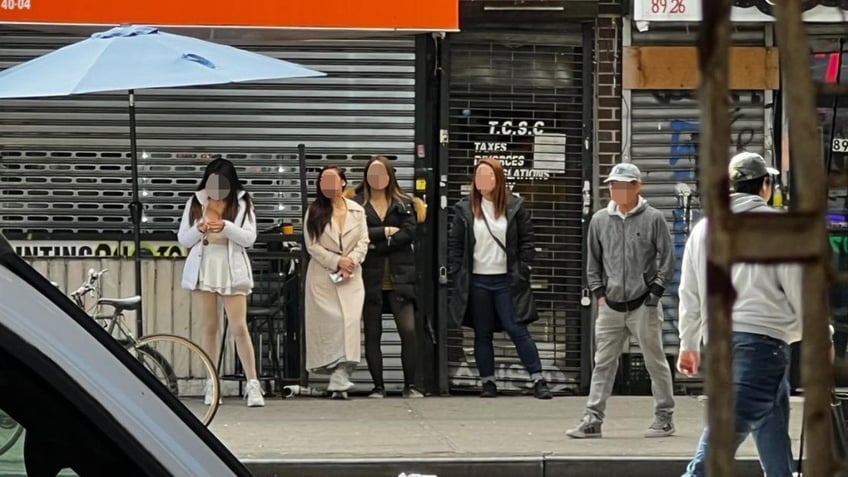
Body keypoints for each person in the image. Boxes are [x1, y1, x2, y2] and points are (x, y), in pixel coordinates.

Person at [677, 152, 805, 476]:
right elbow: (799, 289)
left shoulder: (704, 229)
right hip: (763, 346)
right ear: (765, 186)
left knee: (773, 435)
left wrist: (688, 343)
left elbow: (689, 292)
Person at [567, 162, 675, 439]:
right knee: (603, 362)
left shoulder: (653, 218)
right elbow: (593, 261)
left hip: (643, 302)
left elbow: (668, 257)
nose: (617, 190)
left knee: (655, 361)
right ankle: (592, 419)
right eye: (614, 185)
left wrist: (656, 292)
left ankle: (664, 417)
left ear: (637, 186)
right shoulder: (600, 220)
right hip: (611, 304)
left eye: (624, 185)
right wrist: (599, 294)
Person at [447, 157, 552, 399]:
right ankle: (488, 382)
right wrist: (457, 271)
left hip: (507, 280)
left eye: (488, 175)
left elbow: (528, 242)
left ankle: (537, 379)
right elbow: (455, 244)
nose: (482, 180)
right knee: (482, 332)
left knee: (517, 329)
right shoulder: (465, 209)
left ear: (498, 178)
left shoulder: (515, 207)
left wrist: (523, 269)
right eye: (478, 176)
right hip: (477, 280)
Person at [177, 157, 264, 407]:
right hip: (204, 266)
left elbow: (249, 238)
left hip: (231, 266)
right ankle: (211, 383)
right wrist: (200, 229)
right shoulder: (196, 201)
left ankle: (253, 383)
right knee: (209, 327)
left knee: (239, 327)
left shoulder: (242, 201)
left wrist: (224, 226)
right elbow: (183, 238)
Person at [354, 156, 423, 399]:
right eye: (372, 173)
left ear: (390, 175)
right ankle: (378, 386)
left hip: (400, 277)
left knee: (409, 330)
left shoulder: (404, 202)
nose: (377, 178)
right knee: (373, 333)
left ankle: (410, 385)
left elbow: (410, 234)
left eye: (381, 173)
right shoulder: (356, 203)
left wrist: (376, 244)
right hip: (369, 278)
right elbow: (357, 235)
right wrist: (385, 232)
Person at [304, 165, 369, 400]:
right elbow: (312, 245)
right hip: (323, 275)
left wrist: (350, 261)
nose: (327, 184)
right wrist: (336, 261)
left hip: (351, 276)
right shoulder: (314, 211)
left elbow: (364, 240)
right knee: (331, 322)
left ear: (343, 182)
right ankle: (334, 371)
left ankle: (342, 372)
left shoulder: (357, 211)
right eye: (323, 180)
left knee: (350, 322)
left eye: (332, 179)